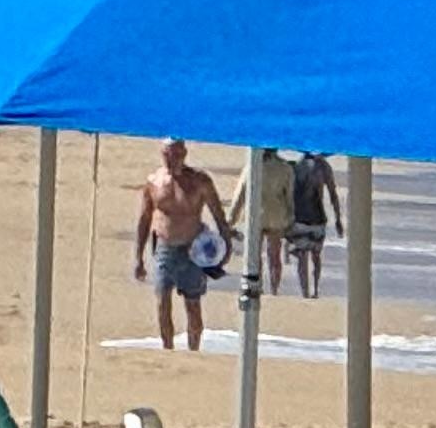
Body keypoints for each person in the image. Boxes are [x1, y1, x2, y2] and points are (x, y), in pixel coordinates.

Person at [132, 141, 234, 352]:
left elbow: (219, 215)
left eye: (176, 155)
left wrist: (226, 248)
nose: (172, 160)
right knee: (162, 300)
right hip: (164, 248)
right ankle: (168, 349)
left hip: (193, 250)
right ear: (162, 154)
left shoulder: (200, 181)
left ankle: (193, 350)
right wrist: (138, 258)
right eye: (167, 155)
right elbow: (144, 219)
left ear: (184, 153)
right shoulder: (154, 182)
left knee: (193, 304)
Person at [284, 150, 336, 300]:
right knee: (316, 256)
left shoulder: (296, 167)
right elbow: (333, 194)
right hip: (318, 217)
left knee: (302, 257)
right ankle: (316, 289)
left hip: (300, 217)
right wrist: (338, 219)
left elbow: (289, 195)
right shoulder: (324, 167)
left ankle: (305, 292)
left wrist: (287, 218)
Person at [244, 148, 291, 294]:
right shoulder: (285, 168)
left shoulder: (253, 166)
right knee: (274, 255)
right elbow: (289, 196)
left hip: (257, 213)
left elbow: (241, 193)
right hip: (277, 214)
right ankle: (274, 289)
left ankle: (257, 286)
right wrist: (290, 216)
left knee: (255, 254)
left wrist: (231, 219)